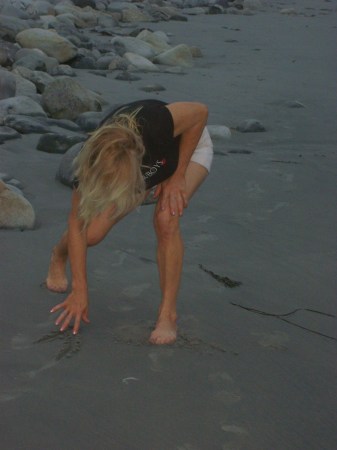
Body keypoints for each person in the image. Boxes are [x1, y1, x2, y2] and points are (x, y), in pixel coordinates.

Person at [46, 99, 213, 345]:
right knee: (92, 233)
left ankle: (168, 315)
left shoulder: (154, 122)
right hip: (145, 166)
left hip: (188, 148)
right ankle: (58, 255)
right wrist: (79, 290)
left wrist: (177, 174)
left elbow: (200, 112)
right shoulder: (89, 163)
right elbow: (76, 224)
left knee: (166, 219)